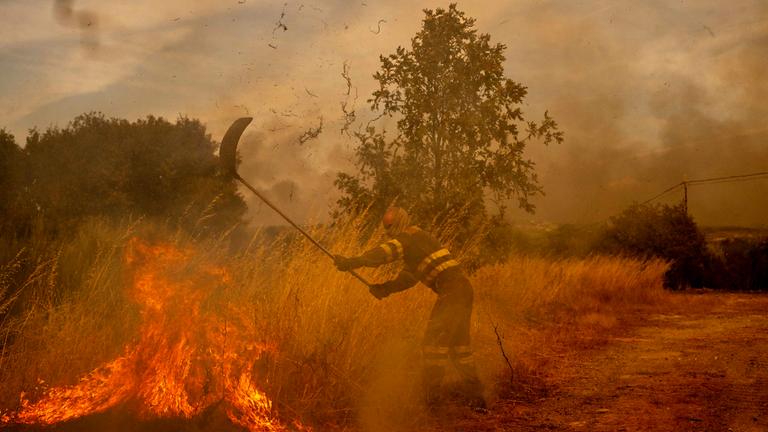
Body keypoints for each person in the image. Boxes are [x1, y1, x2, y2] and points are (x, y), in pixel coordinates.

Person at [333, 207, 486, 410]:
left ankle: (432, 403)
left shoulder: (410, 236)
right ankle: (478, 399)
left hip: (453, 292)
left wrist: (352, 262)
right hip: (461, 291)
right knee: (459, 347)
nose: (388, 232)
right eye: (386, 227)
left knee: (433, 344)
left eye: (390, 226)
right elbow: (408, 279)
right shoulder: (417, 245)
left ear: (400, 223)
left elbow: (384, 253)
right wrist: (385, 288)